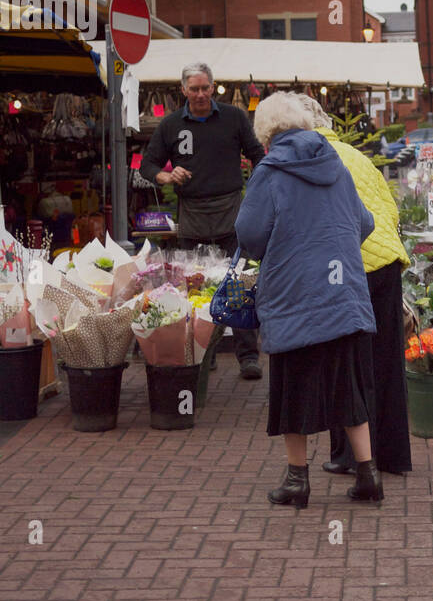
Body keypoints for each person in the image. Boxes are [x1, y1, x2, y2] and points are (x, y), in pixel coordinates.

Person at [235, 92, 383, 510]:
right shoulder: (333, 161)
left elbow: (249, 235)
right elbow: (365, 223)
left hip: (294, 300)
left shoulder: (270, 170)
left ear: (266, 134)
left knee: (293, 389)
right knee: (349, 388)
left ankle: (297, 482)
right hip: (343, 297)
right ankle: (369, 475)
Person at [294, 95, 412, 477]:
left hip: (352, 266)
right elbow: (388, 207)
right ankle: (392, 455)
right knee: (386, 362)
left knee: (349, 364)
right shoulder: (355, 154)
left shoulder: (313, 158)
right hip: (387, 262)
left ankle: (351, 456)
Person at [142, 63, 265, 379]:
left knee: (237, 284)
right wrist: (166, 175)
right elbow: (147, 164)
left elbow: (257, 154)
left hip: (231, 211)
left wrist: (260, 190)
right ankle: (200, 351)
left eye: (204, 88)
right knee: (194, 285)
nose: (199, 94)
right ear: (182, 90)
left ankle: (249, 356)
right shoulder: (170, 124)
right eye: (193, 89)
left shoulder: (234, 117)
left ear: (214, 88)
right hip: (192, 213)